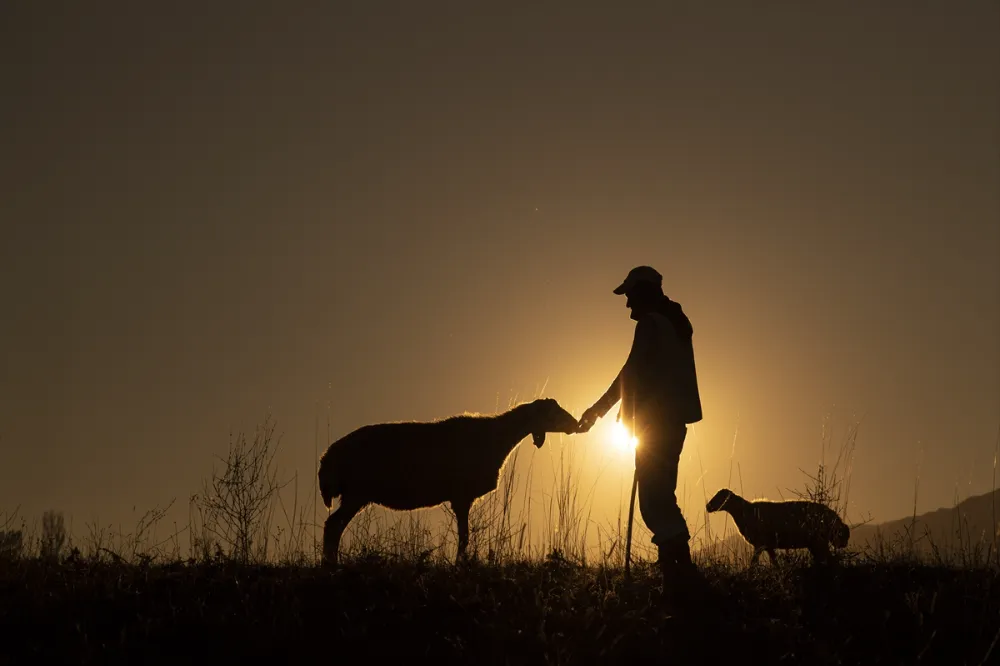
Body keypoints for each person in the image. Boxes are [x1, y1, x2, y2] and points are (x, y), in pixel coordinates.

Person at [577, 265, 707, 600]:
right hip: (672, 422)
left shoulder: (652, 324)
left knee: (653, 498)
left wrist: (597, 411)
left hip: (655, 423)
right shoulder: (674, 324)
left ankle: (678, 575)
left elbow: (631, 371)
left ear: (645, 291)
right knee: (660, 494)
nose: (627, 304)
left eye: (630, 295)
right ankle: (678, 571)